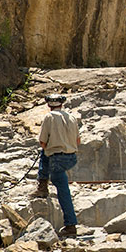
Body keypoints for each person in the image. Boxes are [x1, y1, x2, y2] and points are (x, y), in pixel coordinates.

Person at [34, 93, 81, 237]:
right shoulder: (71, 117)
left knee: (63, 191)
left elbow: (43, 142)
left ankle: (70, 224)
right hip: (71, 157)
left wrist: (51, 145)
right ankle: (43, 184)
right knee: (45, 155)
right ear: (62, 104)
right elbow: (78, 141)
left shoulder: (49, 117)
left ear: (49, 105)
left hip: (57, 159)